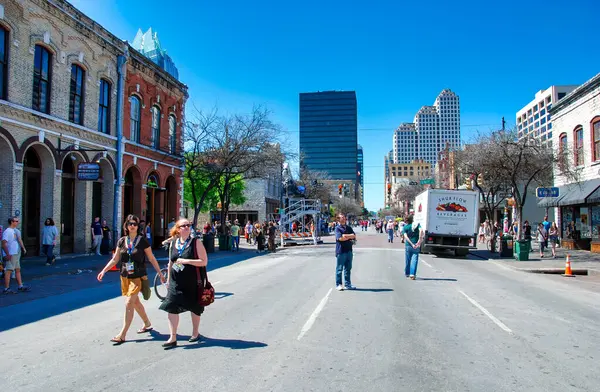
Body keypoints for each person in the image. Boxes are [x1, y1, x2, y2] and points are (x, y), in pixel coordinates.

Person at [96, 215, 165, 345]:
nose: (132, 225)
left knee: (129, 303)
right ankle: (147, 323)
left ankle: (122, 334)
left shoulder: (142, 241)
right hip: (125, 276)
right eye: (129, 223)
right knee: (135, 303)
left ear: (138, 227)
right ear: (126, 226)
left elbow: (151, 258)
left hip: (137, 276)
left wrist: (160, 273)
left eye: (134, 224)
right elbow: (115, 259)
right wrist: (104, 270)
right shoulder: (122, 241)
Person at [159, 218, 209, 349]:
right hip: (176, 282)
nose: (187, 227)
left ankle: (195, 333)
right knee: (171, 306)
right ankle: (173, 337)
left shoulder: (195, 243)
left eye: (188, 225)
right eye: (183, 226)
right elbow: (171, 263)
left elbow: (204, 261)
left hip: (192, 282)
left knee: (194, 307)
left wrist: (187, 261)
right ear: (178, 229)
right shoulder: (173, 243)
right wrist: (168, 279)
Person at [2, 217, 30, 293]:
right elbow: (3, 243)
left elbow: (19, 240)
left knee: (17, 269)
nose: (18, 222)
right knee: (9, 270)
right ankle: (6, 288)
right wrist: (7, 254)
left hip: (16, 253)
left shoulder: (14, 231)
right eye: (16, 221)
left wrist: (22, 248)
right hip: (11, 254)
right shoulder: (7, 231)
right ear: (12, 222)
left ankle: (20, 286)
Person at [335, 213, 356, 291]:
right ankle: (338, 284)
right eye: (342, 217)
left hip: (349, 250)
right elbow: (340, 238)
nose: (344, 219)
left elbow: (354, 236)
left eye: (344, 217)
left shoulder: (349, 227)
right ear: (338, 219)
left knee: (348, 268)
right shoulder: (337, 228)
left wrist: (345, 236)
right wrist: (348, 236)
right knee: (339, 269)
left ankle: (348, 284)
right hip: (341, 251)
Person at [402, 215, 424, 280]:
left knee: (408, 259)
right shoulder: (417, 225)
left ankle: (407, 273)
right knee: (415, 259)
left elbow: (406, 237)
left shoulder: (405, 227)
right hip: (416, 244)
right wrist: (419, 241)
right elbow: (421, 230)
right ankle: (412, 274)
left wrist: (411, 243)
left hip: (408, 245)